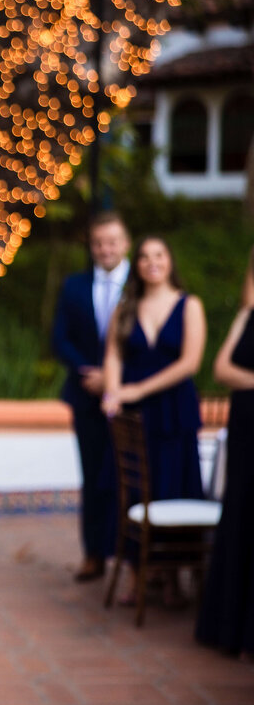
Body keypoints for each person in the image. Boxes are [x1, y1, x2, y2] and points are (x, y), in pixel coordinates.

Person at [102, 235, 206, 604]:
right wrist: (113, 394)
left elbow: (190, 363)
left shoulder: (189, 305)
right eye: (144, 257)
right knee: (134, 490)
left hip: (175, 413)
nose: (151, 262)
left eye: (159, 255)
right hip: (134, 420)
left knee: (175, 487)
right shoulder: (127, 305)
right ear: (138, 265)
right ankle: (138, 577)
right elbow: (113, 354)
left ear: (170, 260)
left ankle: (173, 577)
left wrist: (137, 390)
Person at [51, 212, 130, 583]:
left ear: (125, 243)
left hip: (132, 399)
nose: (105, 249)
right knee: (93, 475)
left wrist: (114, 377)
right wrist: (91, 373)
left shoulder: (142, 284)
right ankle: (94, 554)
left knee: (129, 477)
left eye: (112, 242)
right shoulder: (74, 286)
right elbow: (60, 338)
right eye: (99, 243)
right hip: (86, 396)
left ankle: (131, 558)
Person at [195, 247, 254, 658]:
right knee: (239, 517)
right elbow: (221, 370)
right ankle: (229, 628)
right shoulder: (247, 315)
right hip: (246, 430)